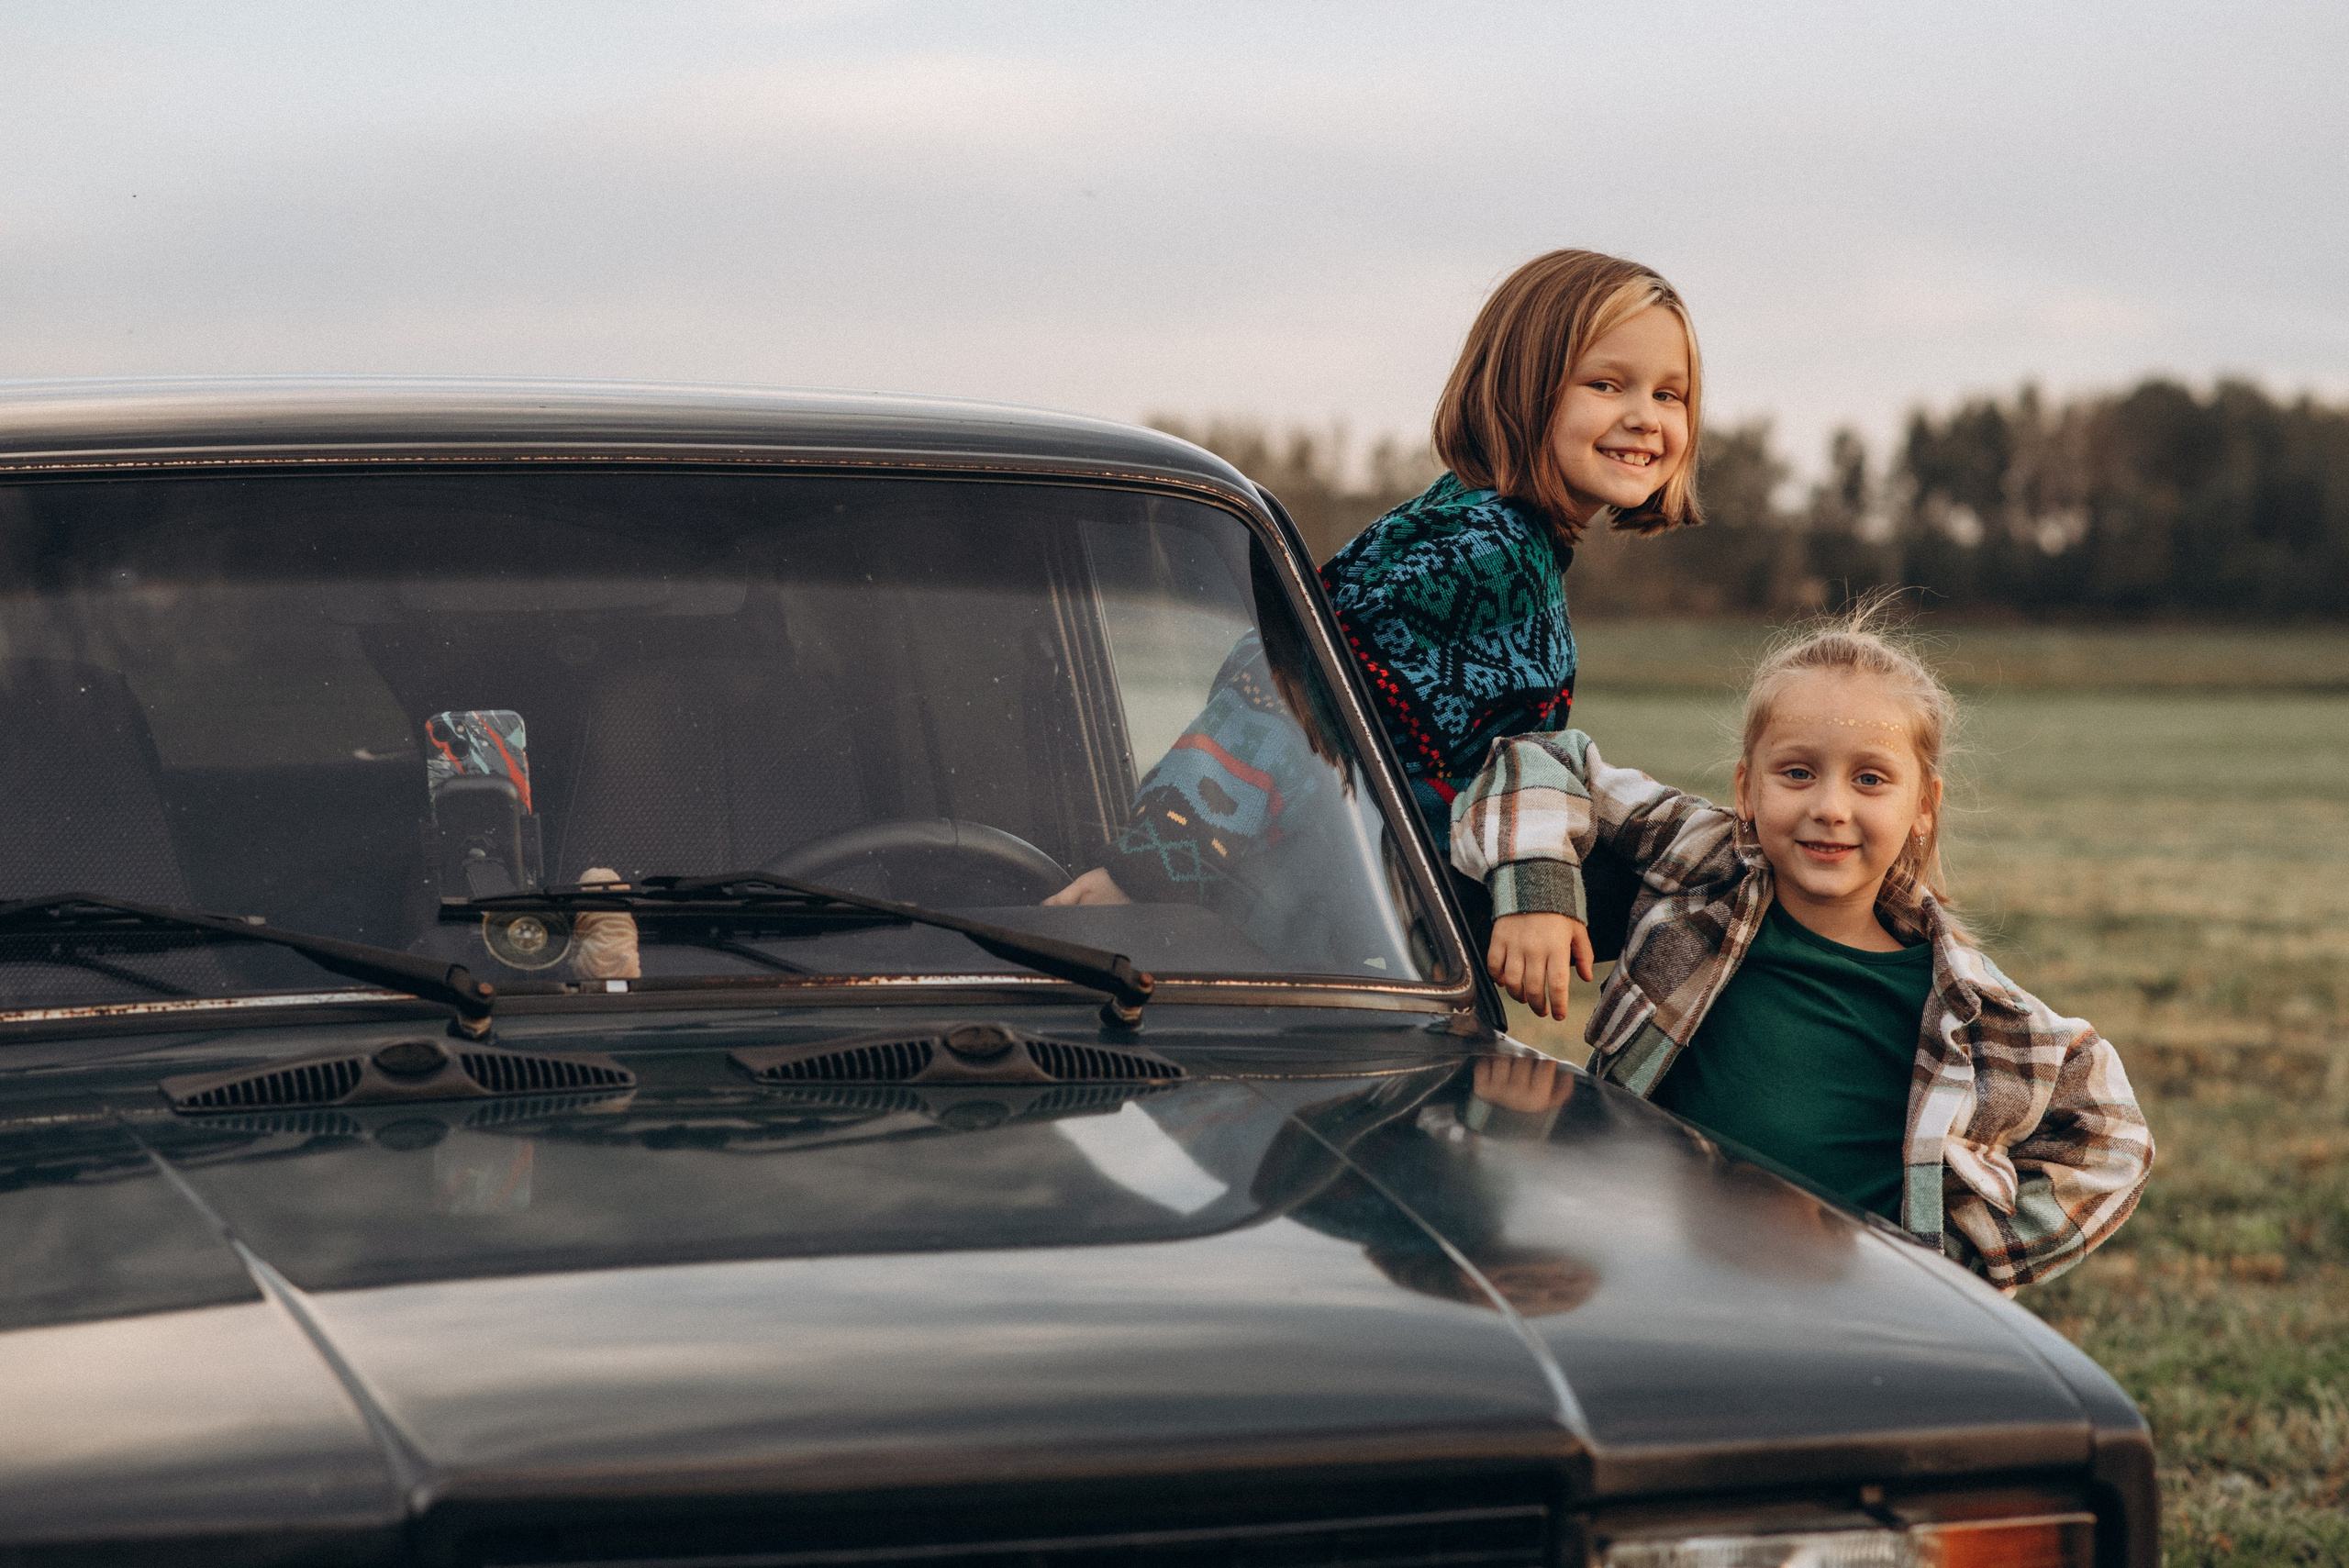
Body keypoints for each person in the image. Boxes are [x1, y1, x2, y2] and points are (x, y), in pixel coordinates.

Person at [1450, 602, 2153, 1289]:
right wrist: (1535, 891)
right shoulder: (1707, 865)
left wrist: (1949, 1262)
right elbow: (1540, 759)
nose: (1829, 807)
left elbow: (2114, 1140)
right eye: (1797, 772)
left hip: (1841, 1325)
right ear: (1746, 789)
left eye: (1870, 779)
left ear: (1924, 806)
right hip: (1649, 1273)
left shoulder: (1964, 1006)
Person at [1052, 250, 1704, 946]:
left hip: (1358, 904)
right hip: (1317, 917)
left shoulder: (1480, 527)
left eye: (1670, 395)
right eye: (1608, 384)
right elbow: (1290, 678)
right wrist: (1150, 869)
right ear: (1523, 390)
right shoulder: (1491, 555)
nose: (1644, 416)